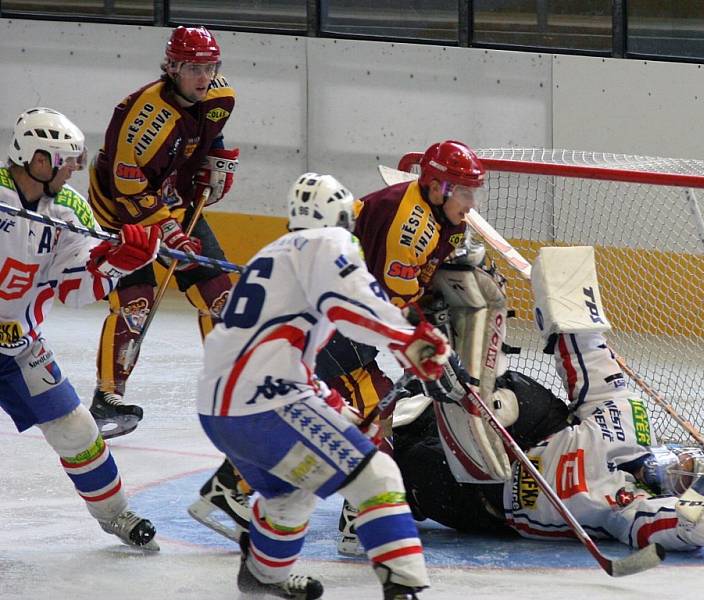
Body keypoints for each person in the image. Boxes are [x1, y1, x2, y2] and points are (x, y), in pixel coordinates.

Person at [391, 247, 704, 553]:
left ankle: (398, 451)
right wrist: (566, 306)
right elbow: (593, 363)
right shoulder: (627, 426)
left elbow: (683, 527)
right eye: (683, 461)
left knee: (412, 469)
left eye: (682, 479)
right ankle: (455, 348)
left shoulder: (626, 510)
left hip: (487, 502)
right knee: (512, 399)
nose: (675, 468)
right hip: (528, 434)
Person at [189, 139, 489, 548]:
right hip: (334, 323)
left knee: (349, 413)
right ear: (438, 188)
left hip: (335, 318)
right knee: (371, 408)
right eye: (466, 191)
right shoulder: (412, 228)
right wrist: (423, 354)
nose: (472, 203)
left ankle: (229, 486)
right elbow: (391, 307)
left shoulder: (433, 211)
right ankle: (358, 520)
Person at [0, 107, 161, 550]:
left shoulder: (70, 210)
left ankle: (116, 515)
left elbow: (74, 289)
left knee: (77, 430)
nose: (72, 168)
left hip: (18, 345)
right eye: (64, 159)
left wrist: (117, 264)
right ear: (36, 159)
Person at [87, 25, 238, 438]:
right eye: (193, 68)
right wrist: (168, 232)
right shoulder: (139, 118)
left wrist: (218, 159)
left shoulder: (220, 96)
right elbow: (127, 188)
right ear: (171, 67)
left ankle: (229, 394)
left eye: (210, 68)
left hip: (176, 201)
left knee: (221, 296)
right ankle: (107, 396)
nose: (204, 78)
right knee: (136, 303)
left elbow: (209, 134)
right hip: (119, 213)